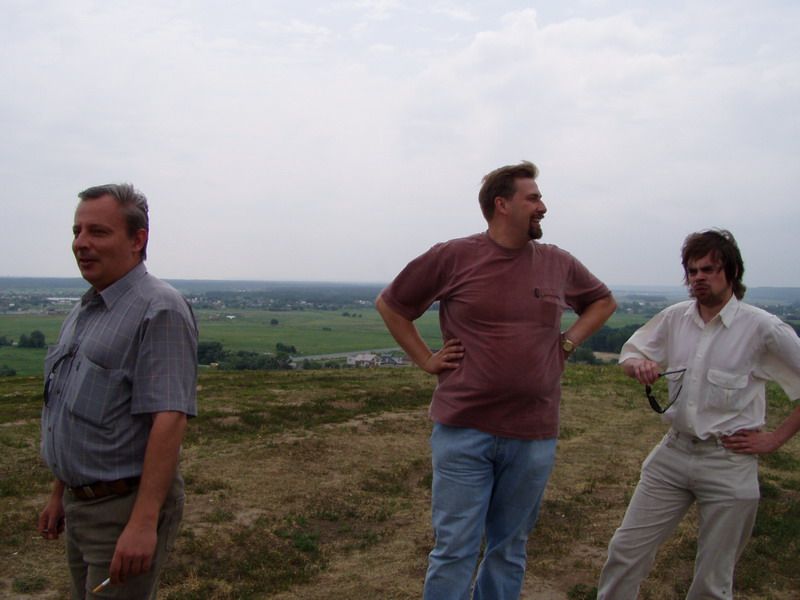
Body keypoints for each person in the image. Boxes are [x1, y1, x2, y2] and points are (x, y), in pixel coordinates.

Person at [376, 160, 616, 600]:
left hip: (533, 433)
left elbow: (602, 301)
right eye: (533, 198)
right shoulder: (453, 256)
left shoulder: (557, 262)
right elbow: (392, 305)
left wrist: (568, 342)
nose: (543, 206)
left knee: (509, 548)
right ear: (502, 205)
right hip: (464, 430)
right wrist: (426, 359)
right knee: (455, 548)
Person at [597, 229, 800, 599]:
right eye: (692, 271)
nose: (698, 278)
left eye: (708, 269)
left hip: (729, 462)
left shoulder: (763, 328)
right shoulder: (675, 318)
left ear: (731, 272)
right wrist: (639, 365)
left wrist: (774, 440)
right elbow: (630, 354)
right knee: (625, 551)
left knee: (713, 579)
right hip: (672, 453)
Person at [37, 183, 198, 599]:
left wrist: (143, 523)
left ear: (137, 239)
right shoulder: (85, 309)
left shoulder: (160, 308)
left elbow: (170, 418)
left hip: (123, 508)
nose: (81, 243)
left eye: (98, 232)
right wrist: (59, 493)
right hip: (80, 505)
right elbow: (69, 408)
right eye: (77, 231)